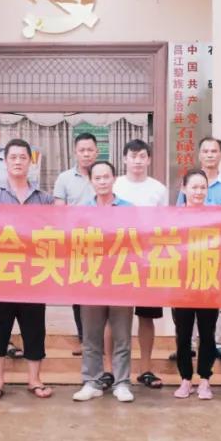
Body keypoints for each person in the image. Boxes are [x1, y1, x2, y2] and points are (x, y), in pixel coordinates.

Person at [0, 138, 55, 401]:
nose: (18, 162)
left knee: (34, 329)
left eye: (23, 157)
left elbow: (54, 233)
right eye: (13, 157)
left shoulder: (44, 199)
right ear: (5, 161)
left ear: (30, 161)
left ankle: (34, 379)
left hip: (34, 276)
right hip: (1, 275)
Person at [72, 160, 135, 403]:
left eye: (106, 177)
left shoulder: (128, 209)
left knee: (122, 336)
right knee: (91, 337)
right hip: (91, 281)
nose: (102, 181)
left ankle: (122, 383)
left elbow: (138, 242)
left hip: (121, 280)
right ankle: (92, 381)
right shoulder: (82, 211)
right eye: (97, 178)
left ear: (114, 178)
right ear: (91, 181)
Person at [175, 136, 221, 362]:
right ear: (199, 154)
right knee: (188, 301)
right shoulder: (189, 182)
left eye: (214, 151)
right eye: (206, 151)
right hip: (189, 255)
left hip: (216, 254)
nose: (210, 155)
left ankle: (218, 343)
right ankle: (190, 345)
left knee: (217, 304)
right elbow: (177, 214)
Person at [112, 139, 169, 390]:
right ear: (125, 159)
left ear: (149, 159)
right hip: (119, 260)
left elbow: (165, 224)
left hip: (149, 260)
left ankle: (145, 369)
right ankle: (111, 370)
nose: (137, 160)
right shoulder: (115, 185)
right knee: (114, 317)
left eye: (142, 156)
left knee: (147, 316)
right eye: (133, 156)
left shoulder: (158, 189)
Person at [171, 170, 220, 400]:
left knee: (207, 334)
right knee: (183, 334)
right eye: (194, 187)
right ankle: (185, 379)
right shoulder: (174, 217)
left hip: (208, 283)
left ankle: (205, 380)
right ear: (183, 188)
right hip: (181, 285)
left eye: (203, 187)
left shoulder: (216, 216)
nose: (199, 192)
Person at [53, 132, 99, 355]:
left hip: (103, 244)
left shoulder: (105, 175)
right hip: (76, 244)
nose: (86, 154)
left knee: (100, 291)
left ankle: (101, 339)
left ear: (96, 152)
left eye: (90, 150)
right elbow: (58, 212)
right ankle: (84, 339)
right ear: (75, 152)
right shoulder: (64, 178)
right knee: (78, 294)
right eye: (82, 150)